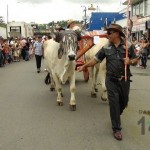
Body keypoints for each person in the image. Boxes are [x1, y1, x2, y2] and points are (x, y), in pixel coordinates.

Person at [78, 23, 139, 141]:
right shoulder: (106, 48)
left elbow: (135, 60)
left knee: (124, 102)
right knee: (114, 103)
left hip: (124, 80)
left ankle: (116, 114)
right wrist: (84, 66)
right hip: (111, 80)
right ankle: (116, 128)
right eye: (108, 32)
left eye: (110, 32)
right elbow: (95, 60)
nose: (108, 34)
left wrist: (130, 62)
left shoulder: (128, 46)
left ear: (117, 34)